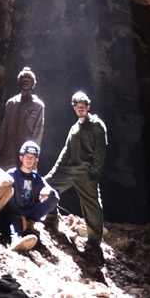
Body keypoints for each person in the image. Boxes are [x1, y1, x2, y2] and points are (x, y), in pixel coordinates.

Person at [44, 91, 107, 253]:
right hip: (71, 170)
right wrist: (54, 171)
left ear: (88, 106)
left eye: (82, 106)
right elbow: (66, 151)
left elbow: (100, 150)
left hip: (86, 172)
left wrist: (95, 171)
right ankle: (51, 219)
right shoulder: (74, 128)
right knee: (48, 185)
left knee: (92, 204)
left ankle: (94, 239)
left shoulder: (97, 125)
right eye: (77, 107)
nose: (80, 109)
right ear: (74, 108)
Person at [2, 141, 59, 251]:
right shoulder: (12, 173)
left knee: (53, 197)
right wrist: (20, 214)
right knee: (16, 218)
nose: (29, 160)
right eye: (27, 157)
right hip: (14, 211)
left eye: (32, 158)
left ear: (36, 160)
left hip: (29, 212)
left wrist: (47, 190)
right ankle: (15, 241)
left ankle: (29, 223)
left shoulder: (36, 177)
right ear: (21, 158)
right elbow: (8, 198)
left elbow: (53, 194)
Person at [0, 68, 45, 169]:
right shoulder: (11, 103)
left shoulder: (38, 105)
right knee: (2, 176)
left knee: (26, 179)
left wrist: (34, 150)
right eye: (23, 79)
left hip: (27, 151)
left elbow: (38, 130)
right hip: (9, 150)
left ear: (33, 84)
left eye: (28, 80)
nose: (25, 81)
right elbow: (4, 126)